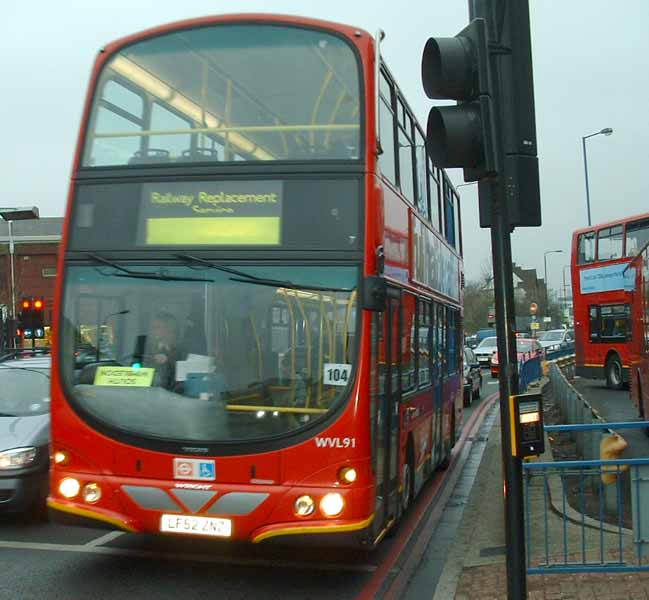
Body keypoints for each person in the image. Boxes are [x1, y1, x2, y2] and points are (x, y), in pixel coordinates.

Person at [144, 312, 182, 389]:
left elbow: (185, 371)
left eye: (158, 327)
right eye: (152, 327)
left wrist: (168, 360)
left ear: (170, 329)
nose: (153, 331)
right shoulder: (147, 348)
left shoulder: (182, 349)